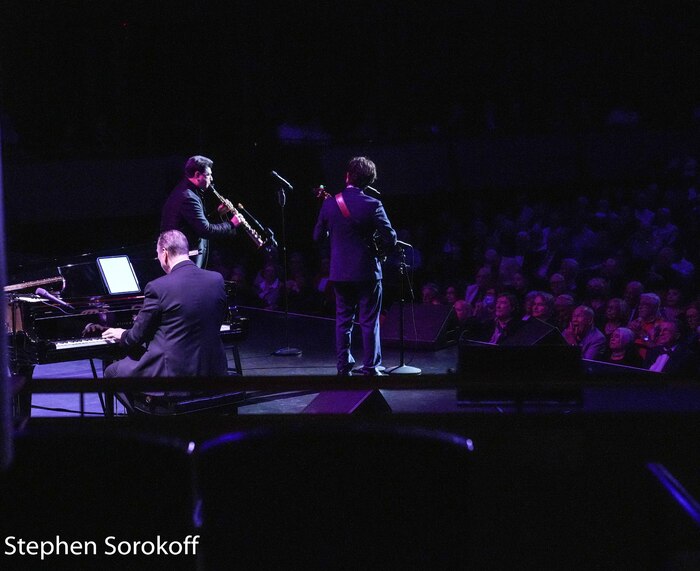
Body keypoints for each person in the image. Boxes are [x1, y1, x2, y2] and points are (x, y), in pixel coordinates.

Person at [98, 230, 229, 378]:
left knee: (111, 371)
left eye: (158, 254)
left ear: (165, 253)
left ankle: (145, 401)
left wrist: (121, 333)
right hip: (213, 371)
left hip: (173, 374)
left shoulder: (158, 287)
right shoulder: (216, 279)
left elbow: (135, 337)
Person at [313, 156, 397, 376]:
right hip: (368, 271)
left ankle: (343, 366)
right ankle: (371, 367)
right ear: (369, 181)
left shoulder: (329, 204)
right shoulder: (373, 204)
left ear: (348, 175)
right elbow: (391, 238)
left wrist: (334, 231)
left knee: (343, 320)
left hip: (340, 272)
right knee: (369, 321)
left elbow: (317, 237)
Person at [161, 155, 242, 268]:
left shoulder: (188, 191)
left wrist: (218, 213)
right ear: (197, 175)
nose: (212, 179)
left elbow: (194, 224)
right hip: (184, 257)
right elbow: (205, 230)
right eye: (208, 175)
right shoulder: (188, 196)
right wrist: (231, 224)